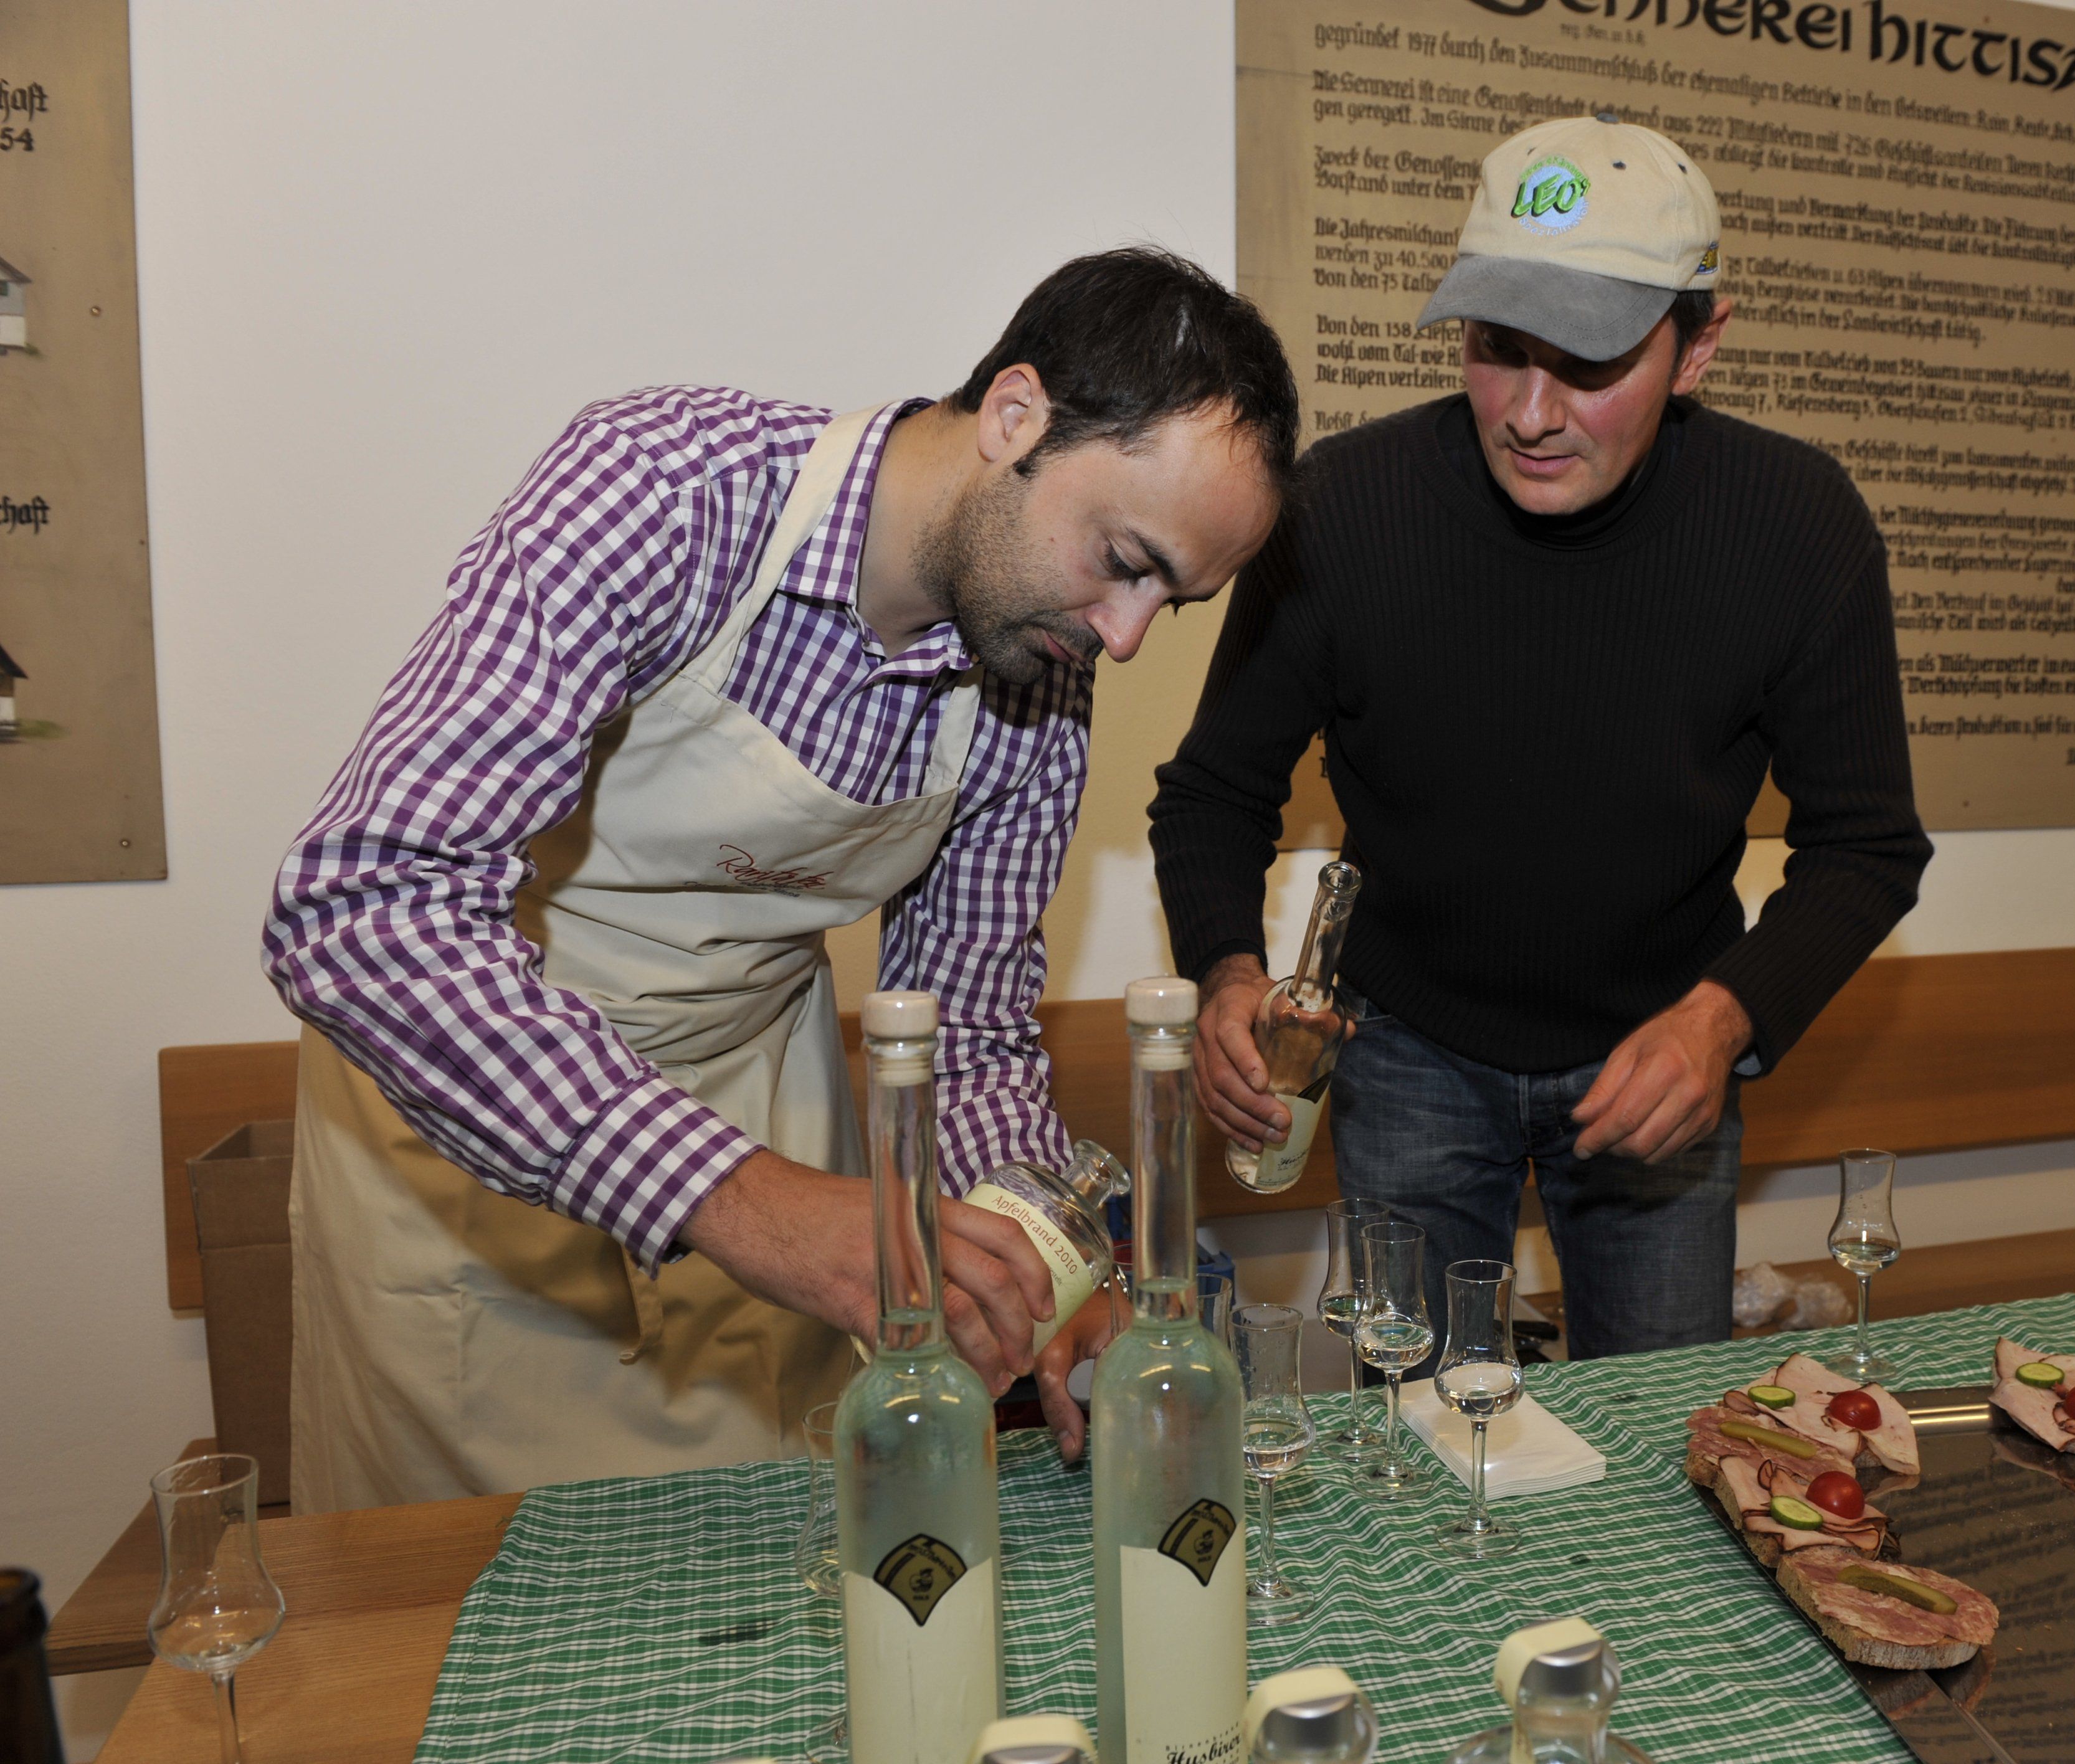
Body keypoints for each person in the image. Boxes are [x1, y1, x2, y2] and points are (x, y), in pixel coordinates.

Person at [264, 248, 1296, 1510]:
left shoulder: (1038, 674)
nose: (1124, 638)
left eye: (1170, 603)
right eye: (1125, 558)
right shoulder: (662, 496)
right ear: (1016, 415)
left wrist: (1038, 1268)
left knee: (763, 1595)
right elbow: (361, 910)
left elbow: (968, 1033)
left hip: (773, 1166)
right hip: (474, 1162)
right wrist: (742, 1200)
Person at [1149, 118, 1930, 1361]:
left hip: (1661, 1040)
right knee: (1419, 1420)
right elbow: (1212, 793)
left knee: (1659, 1427)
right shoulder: (1346, 507)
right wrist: (1227, 976)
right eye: (1497, 350)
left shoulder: (1796, 525)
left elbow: (1868, 847)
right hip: (1404, 1048)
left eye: (1588, 363)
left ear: (1698, 346)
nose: (1529, 413)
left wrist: (1723, 1020)